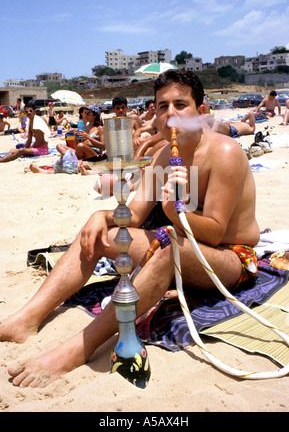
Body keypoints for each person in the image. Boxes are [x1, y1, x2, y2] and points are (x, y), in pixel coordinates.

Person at [0, 70, 260, 388]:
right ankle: (27, 319)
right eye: (162, 106)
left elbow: (216, 232)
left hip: (232, 258)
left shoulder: (224, 152)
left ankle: (78, 348)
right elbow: (134, 216)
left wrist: (171, 211)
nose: (171, 114)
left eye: (181, 104)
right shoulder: (162, 156)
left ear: (201, 112)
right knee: (102, 235)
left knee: (168, 247)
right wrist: (100, 216)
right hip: (188, 247)